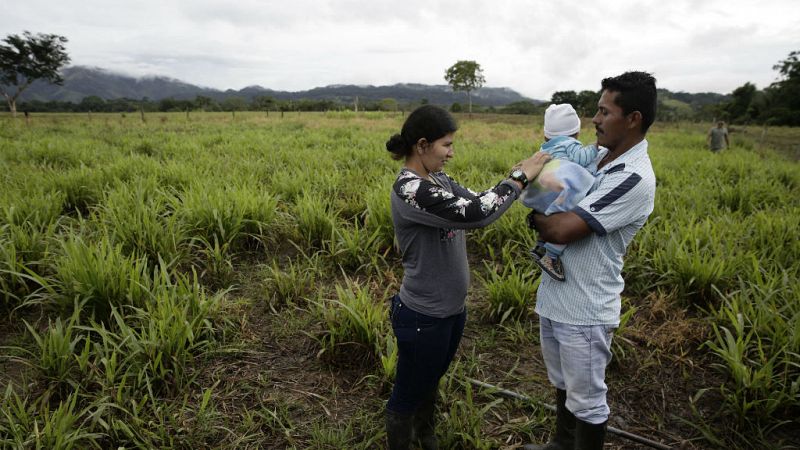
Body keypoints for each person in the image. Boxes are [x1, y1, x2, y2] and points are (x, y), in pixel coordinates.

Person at [385, 104, 550, 450]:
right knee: (407, 392)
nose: (451, 153)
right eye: (446, 145)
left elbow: (478, 199)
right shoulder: (410, 189)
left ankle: (425, 436)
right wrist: (518, 179)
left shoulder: (438, 180)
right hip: (423, 315)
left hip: (451, 310)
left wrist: (518, 174)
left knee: (431, 379)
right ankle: (404, 439)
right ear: (422, 145)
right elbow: (475, 214)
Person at [524, 72, 658, 450]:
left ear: (632, 119)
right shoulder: (597, 156)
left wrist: (535, 214)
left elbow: (560, 229)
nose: (594, 120)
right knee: (564, 383)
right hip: (555, 295)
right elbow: (545, 196)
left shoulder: (633, 176)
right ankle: (561, 445)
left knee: (587, 399)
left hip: (585, 307)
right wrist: (541, 210)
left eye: (603, 111)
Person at [520, 103, 599, 282]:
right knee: (567, 217)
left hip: (541, 193)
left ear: (546, 134)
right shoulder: (570, 145)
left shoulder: (545, 148)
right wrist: (595, 147)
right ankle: (551, 256)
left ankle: (540, 247)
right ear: (576, 132)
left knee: (547, 221)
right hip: (559, 191)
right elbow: (582, 158)